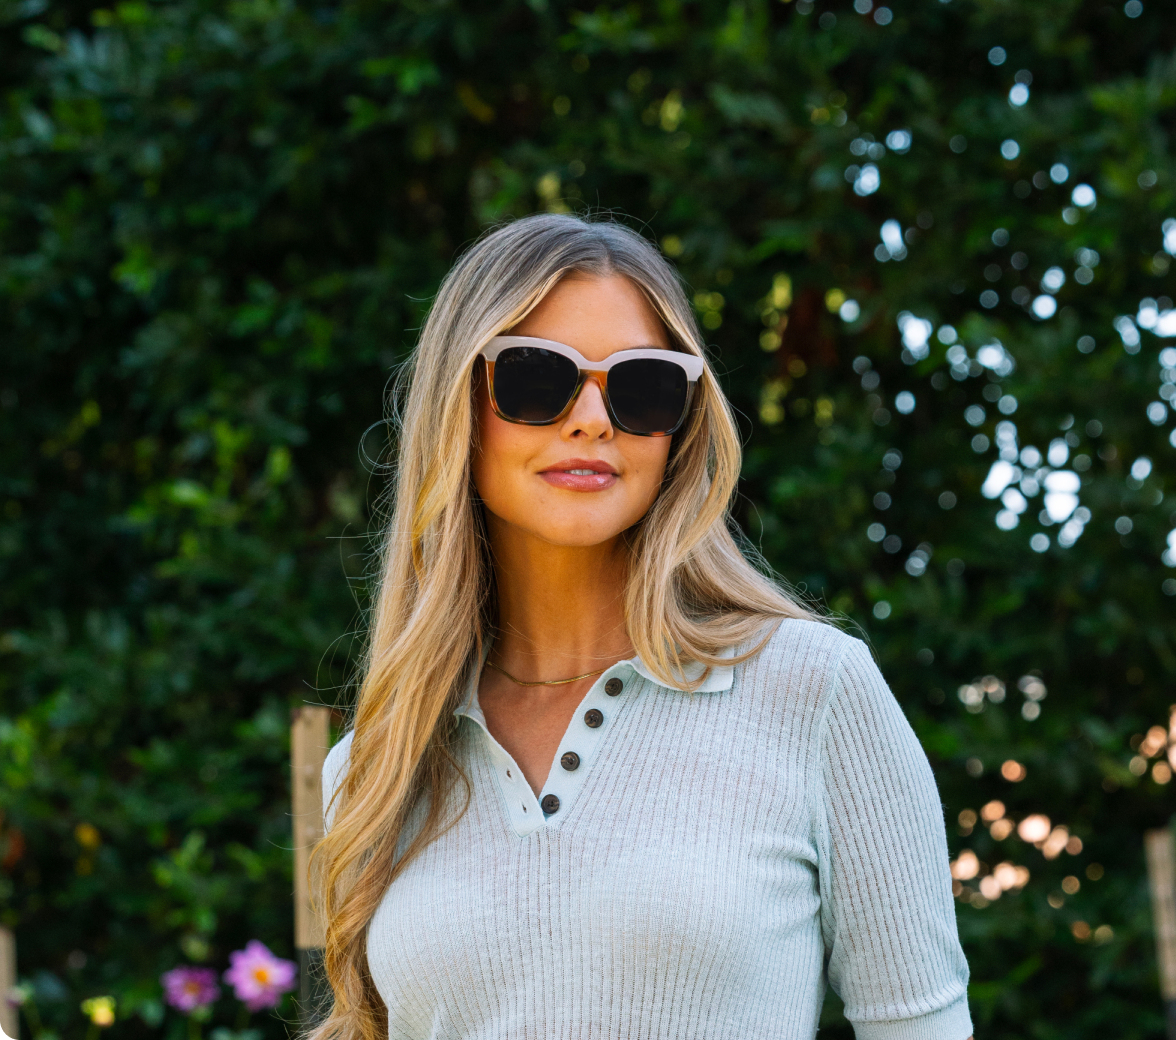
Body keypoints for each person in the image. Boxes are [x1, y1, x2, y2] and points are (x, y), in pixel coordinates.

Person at [314, 215, 973, 1040]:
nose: (593, 418)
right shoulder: (373, 770)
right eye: (536, 376)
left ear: (680, 426)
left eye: (642, 386)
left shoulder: (812, 690)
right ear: (458, 406)